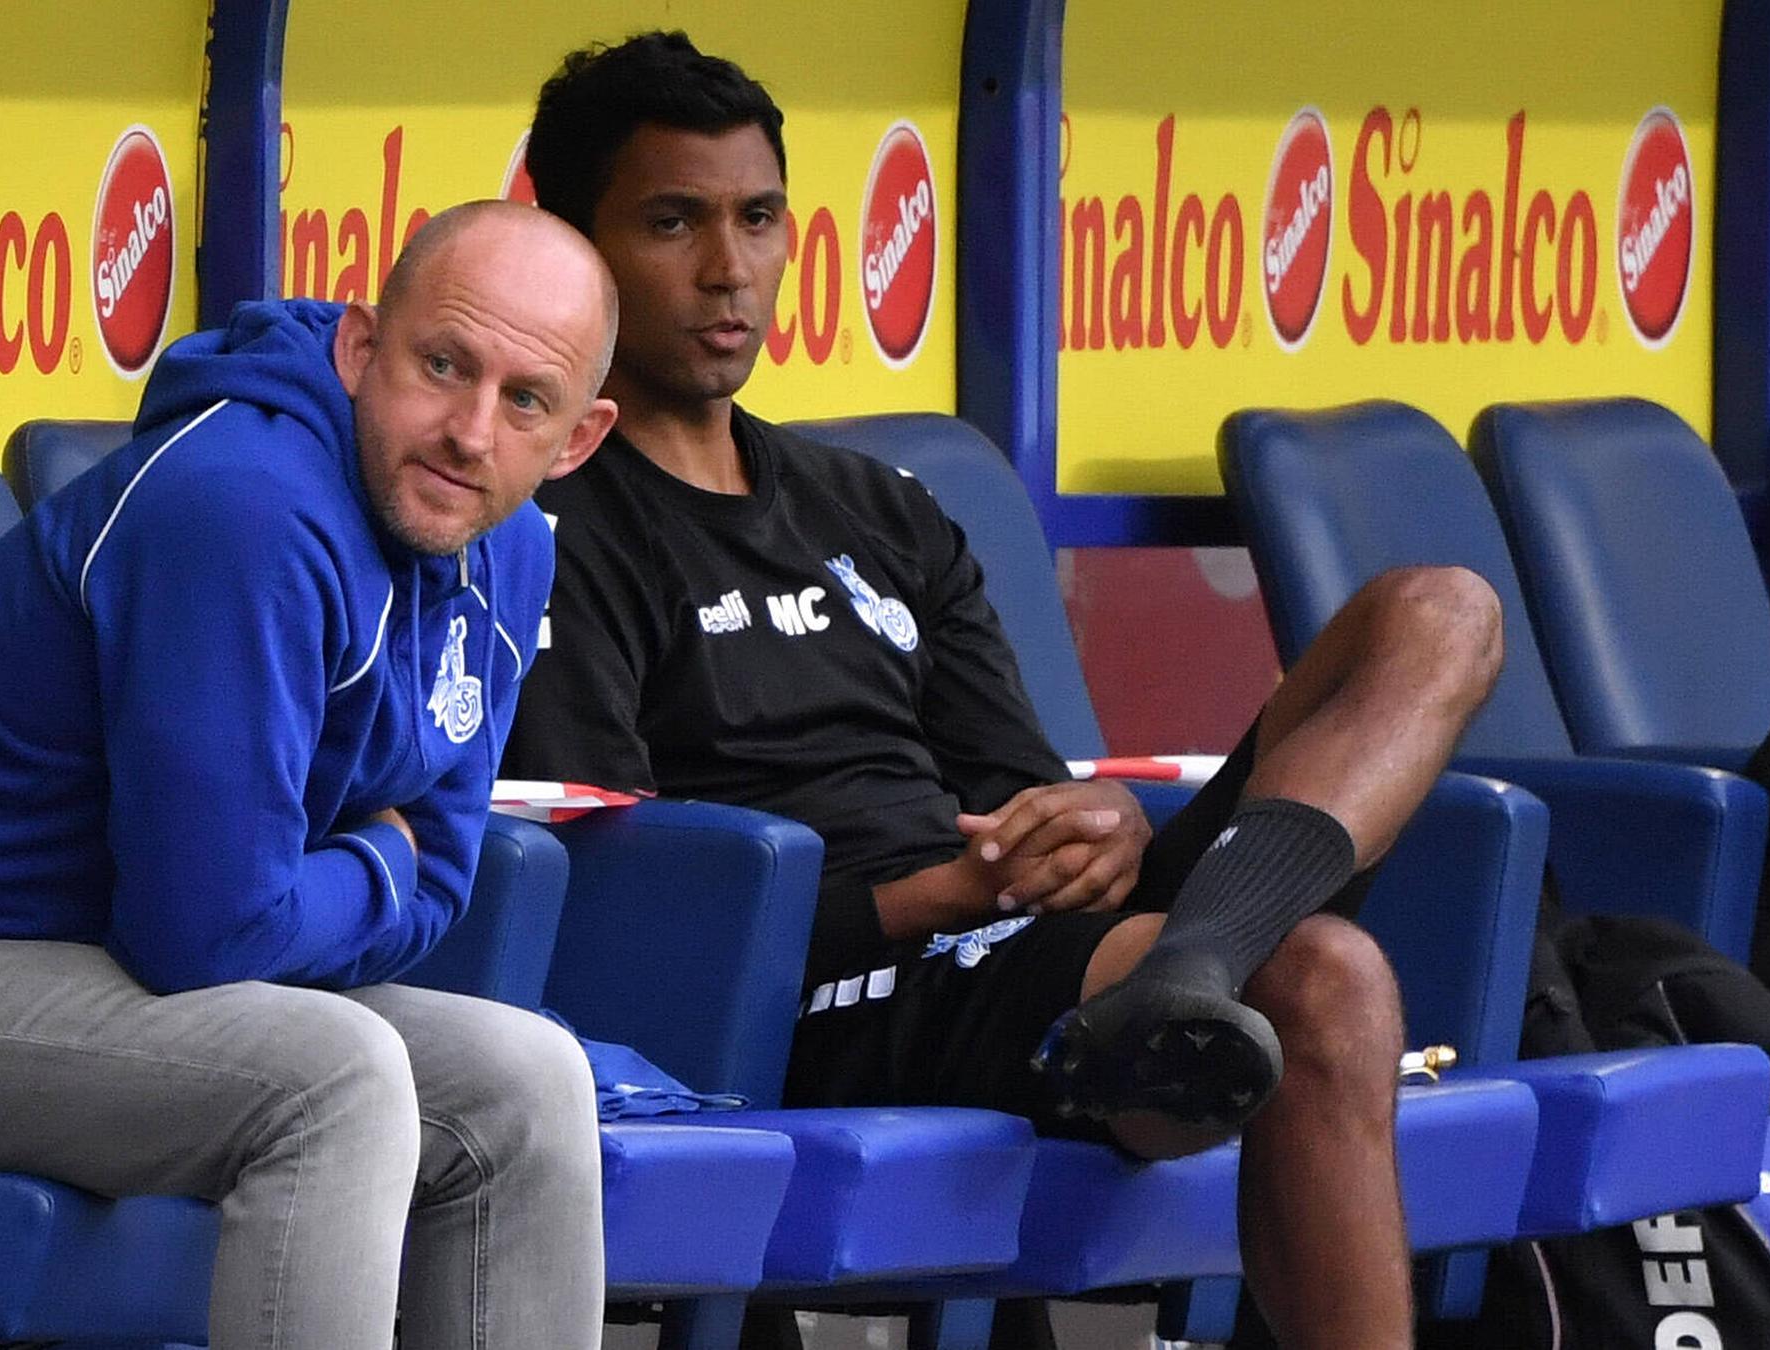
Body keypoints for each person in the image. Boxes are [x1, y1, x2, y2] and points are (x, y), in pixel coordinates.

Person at [503, 34, 1503, 1350]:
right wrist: (953, 893)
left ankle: (1196, 955)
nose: (727, 268)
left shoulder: (878, 506)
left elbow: (1022, 795)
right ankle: (1190, 972)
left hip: (1036, 942)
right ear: (580, 248)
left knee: (1437, 612)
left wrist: (1092, 825)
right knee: (1331, 978)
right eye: (674, 221)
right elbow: (640, 915)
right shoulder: (553, 523)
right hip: (840, 988)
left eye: (757, 219)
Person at [0, 201, 621, 1350]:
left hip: (91, 972)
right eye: (443, 365)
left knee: (529, 1084)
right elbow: (210, 935)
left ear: (577, 438)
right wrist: (376, 857)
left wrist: (346, 879)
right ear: (358, 348)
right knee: (331, 1077)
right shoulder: (245, 500)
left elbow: (441, 881)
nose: (470, 431)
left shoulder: (510, 546)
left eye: (524, 401)